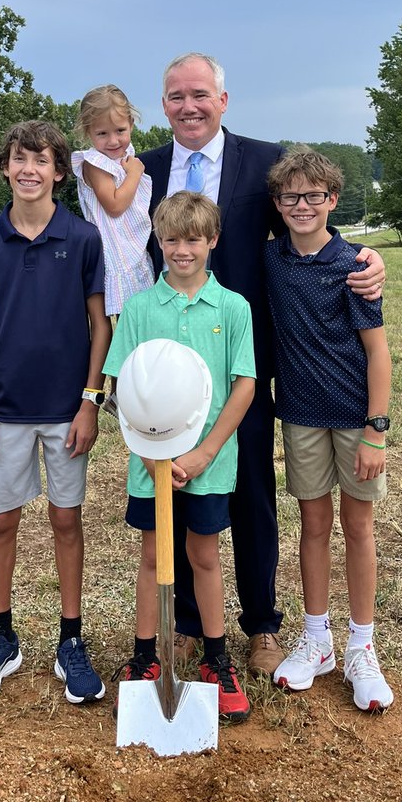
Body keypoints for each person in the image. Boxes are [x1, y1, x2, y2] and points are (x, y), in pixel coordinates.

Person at [140, 53, 387, 676]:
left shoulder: (264, 160)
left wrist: (371, 261)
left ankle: (261, 625)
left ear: (224, 100)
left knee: (251, 490)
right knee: (177, 489)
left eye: (200, 93)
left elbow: (311, 228)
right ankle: (190, 624)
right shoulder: (142, 172)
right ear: (163, 105)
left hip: (245, 362)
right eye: (175, 96)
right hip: (168, 362)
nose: (188, 105)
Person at [0, 120, 112, 704]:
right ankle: (1, 636)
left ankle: (71, 639)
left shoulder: (83, 237)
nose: (29, 170)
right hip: (5, 408)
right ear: (5, 168)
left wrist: (91, 401)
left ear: (59, 172)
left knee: (66, 520)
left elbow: (101, 324)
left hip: (67, 411)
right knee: (1, 521)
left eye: (41, 161)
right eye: (19, 159)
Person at [104, 192, 256, 721]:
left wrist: (204, 451)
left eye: (193, 239)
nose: (182, 249)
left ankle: (217, 659)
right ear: (158, 242)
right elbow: (120, 383)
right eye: (171, 239)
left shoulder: (234, 307)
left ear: (212, 241)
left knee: (204, 556)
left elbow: (244, 385)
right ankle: (146, 656)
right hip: (150, 466)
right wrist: (153, 457)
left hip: (210, 463)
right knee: (152, 557)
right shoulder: (141, 308)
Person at [265, 148, 393, 711]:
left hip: (353, 416)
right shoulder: (271, 260)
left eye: (314, 196)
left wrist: (376, 429)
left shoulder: (357, 266)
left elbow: (378, 351)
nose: (302, 205)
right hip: (299, 414)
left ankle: (362, 645)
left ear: (332, 200)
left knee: (357, 526)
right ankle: (317, 639)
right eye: (291, 197)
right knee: (312, 525)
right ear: (278, 204)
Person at [71, 84, 154, 317]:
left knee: (143, 316)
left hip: (133, 249)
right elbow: (115, 205)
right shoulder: (95, 162)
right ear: (88, 132)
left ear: (131, 125)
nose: (113, 141)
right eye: (102, 134)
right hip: (115, 254)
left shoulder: (125, 157)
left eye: (120, 130)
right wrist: (136, 173)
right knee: (128, 318)